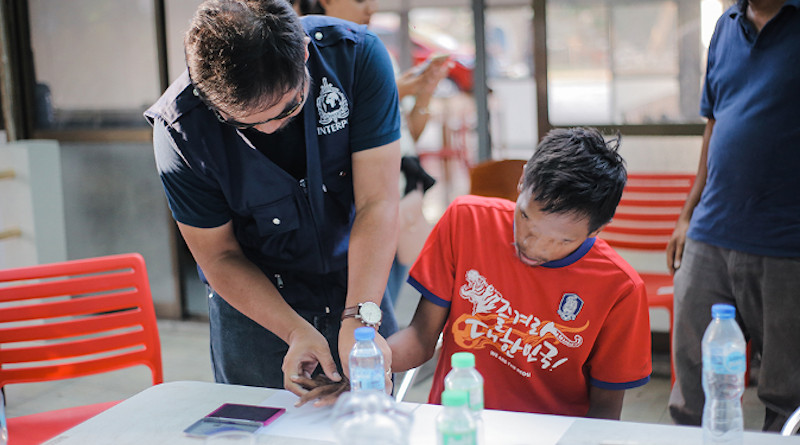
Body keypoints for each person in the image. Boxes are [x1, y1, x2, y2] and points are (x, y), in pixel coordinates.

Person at [144, 0, 402, 398]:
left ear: (302, 52)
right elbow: (218, 256)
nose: (270, 128)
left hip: (357, 276)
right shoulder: (180, 129)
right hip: (254, 304)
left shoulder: (356, 57)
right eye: (245, 122)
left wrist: (361, 319)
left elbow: (378, 202)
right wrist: (293, 329)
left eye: (289, 107)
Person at [388, 127, 652, 418]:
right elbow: (420, 339)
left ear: (598, 230)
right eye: (526, 218)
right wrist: (367, 359)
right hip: (459, 424)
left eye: (562, 241)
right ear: (523, 179)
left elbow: (605, 413)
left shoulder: (620, 288)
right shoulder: (467, 221)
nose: (534, 246)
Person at [666, 0, 800, 432]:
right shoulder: (725, 27)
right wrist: (688, 214)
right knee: (694, 382)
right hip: (711, 231)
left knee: (788, 392)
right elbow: (715, 123)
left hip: (786, 241)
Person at [311, 0, 449, 305]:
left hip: (396, 198)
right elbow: (332, 132)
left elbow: (407, 135)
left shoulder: (374, 53)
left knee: (384, 303)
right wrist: (392, 91)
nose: (371, 7)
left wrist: (424, 91)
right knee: (364, 306)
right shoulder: (307, 61)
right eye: (360, 0)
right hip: (351, 214)